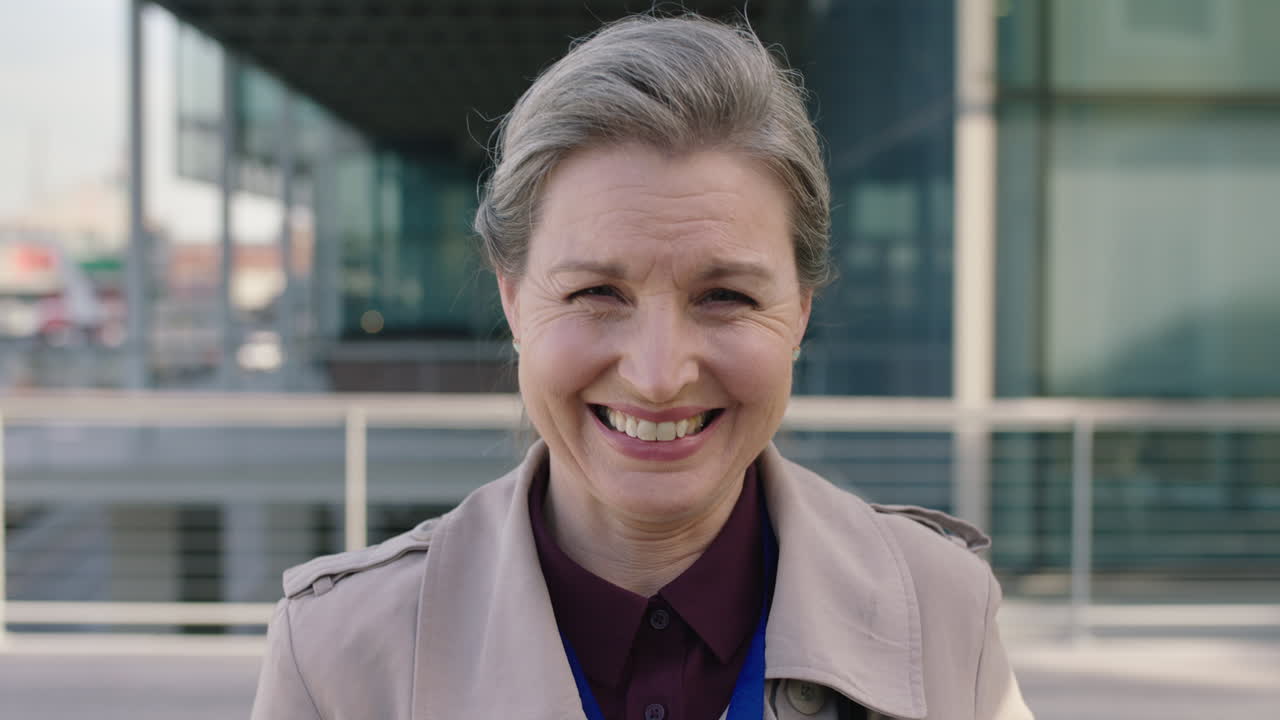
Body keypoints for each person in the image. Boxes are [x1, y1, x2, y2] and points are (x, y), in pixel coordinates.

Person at [251, 13, 1033, 720]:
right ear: (515, 301)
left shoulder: (946, 618)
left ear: (800, 311)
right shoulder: (336, 659)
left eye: (724, 295)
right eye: (597, 292)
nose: (659, 376)